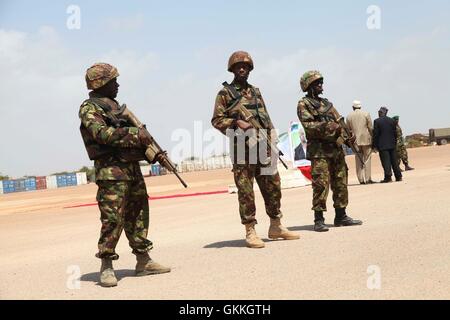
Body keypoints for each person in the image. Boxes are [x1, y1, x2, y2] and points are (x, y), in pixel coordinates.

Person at [79, 62, 170, 287]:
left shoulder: (116, 106)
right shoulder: (90, 108)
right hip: (111, 173)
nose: (117, 85)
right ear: (101, 83)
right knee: (112, 219)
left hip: (131, 169)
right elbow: (102, 135)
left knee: (138, 214)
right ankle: (107, 265)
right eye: (113, 81)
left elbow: (133, 138)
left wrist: (151, 151)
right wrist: (135, 133)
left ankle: (143, 260)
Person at [211, 51, 299, 248]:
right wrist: (236, 122)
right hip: (242, 150)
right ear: (232, 69)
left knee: (273, 186)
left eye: (245, 66)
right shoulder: (225, 94)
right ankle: (250, 231)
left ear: (250, 69)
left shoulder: (256, 92)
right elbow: (217, 120)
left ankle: (276, 225)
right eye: (238, 66)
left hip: (263, 147)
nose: (242, 69)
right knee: (246, 192)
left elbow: (265, 117)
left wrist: (272, 141)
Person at [297, 71, 362, 232]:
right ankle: (319, 219)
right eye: (317, 83)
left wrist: (348, 136)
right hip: (319, 152)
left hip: (336, 150)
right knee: (320, 185)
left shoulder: (328, 105)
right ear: (308, 86)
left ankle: (341, 215)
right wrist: (331, 127)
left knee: (340, 182)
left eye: (321, 82)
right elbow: (309, 127)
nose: (320, 85)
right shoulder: (304, 104)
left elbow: (340, 123)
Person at [346, 100, 374, 184]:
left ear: (353, 107)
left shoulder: (349, 116)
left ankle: (361, 180)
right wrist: (373, 138)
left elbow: (348, 130)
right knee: (367, 159)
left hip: (355, 141)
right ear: (360, 106)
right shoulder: (366, 114)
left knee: (358, 159)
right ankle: (368, 178)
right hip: (366, 140)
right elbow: (370, 128)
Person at [373, 107, 402, 183]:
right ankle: (398, 176)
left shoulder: (377, 121)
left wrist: (374, 146)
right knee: (394, 161)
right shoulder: (392, 121)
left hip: (382, 145)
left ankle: (388, 177)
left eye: (379, 112)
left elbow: (376, 135)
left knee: (386, 162)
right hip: (392, 144)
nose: (378, 113)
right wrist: (394, 143)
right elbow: (395, 133)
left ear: (381, 113)